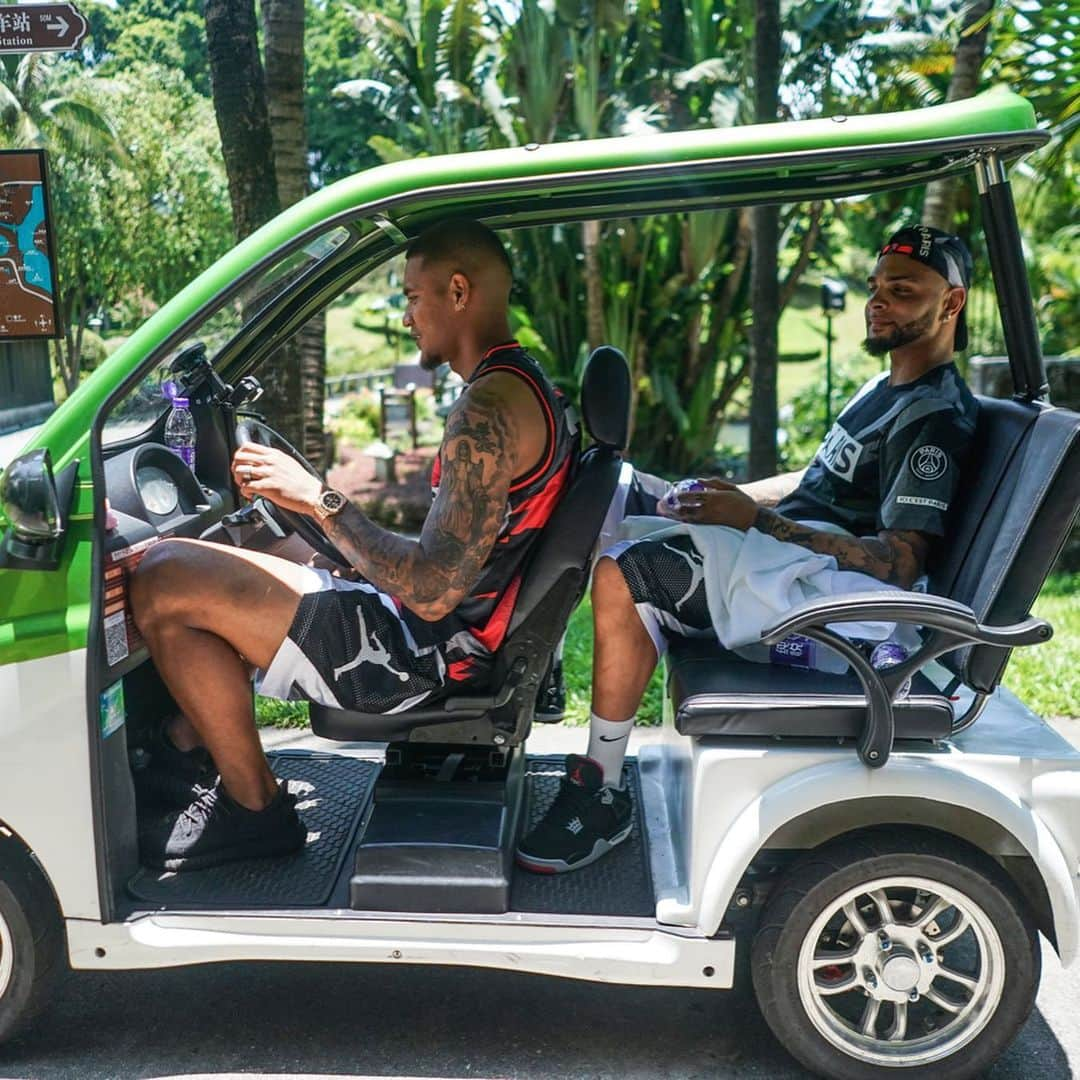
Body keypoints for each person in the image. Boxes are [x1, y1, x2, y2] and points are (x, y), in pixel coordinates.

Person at [516, 224, 979, 874]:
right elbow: (816, 483)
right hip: (799, 564)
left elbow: (900, 562)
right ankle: (543, 675)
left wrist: (756, 525)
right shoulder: (885, 390)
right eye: (876, 287)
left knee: (629, 573)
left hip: (845, 620)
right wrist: (732, 496)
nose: (878, 301)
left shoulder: (935, 418)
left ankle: (603, 786)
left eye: (901, 292)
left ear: (951, 304)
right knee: (618, 494)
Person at [131, 219, 577, 871]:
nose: (406, 316)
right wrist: (330, 539)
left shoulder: (488, 410)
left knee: (164, 574)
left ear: (459, 291)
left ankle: (253, 809)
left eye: (412, 297)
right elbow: (456, 559)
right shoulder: (521, 384)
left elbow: (430, 591)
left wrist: (319, 498)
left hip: (420, 658)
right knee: (258, 548)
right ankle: (187, 743)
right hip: (452, 639)